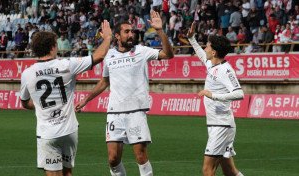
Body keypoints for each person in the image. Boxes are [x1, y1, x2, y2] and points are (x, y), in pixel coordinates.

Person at [75, 10, 174, 176]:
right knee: (113, 160)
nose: (131, 35)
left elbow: (168, 55)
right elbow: (104, 82)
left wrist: (160, 31)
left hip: (136, 111)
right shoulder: (109, 56)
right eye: (126, 32)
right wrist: (86, 100)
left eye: (132, 32)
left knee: (141, 157)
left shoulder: (142, 51)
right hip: (114, 113)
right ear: (117, 36)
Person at [20, 20, 112, 176]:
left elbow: (24, 102)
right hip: (69, 131)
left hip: (47, 133)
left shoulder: (27, 73)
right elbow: (100, 55)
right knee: (68, 173)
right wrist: (108, 38)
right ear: (52, 47)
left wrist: (39, 105)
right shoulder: (67, 65)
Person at [187, 21, 244, 176]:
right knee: (229, 170)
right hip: (218, 124)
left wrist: (212, 95)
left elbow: (239, 93)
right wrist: (192, 39)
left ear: (214, 52)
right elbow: (201, 55)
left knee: (207, 170)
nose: (205, 48)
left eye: (208, 46)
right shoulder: (213, 65)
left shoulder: (225, 70)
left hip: (222, 126)